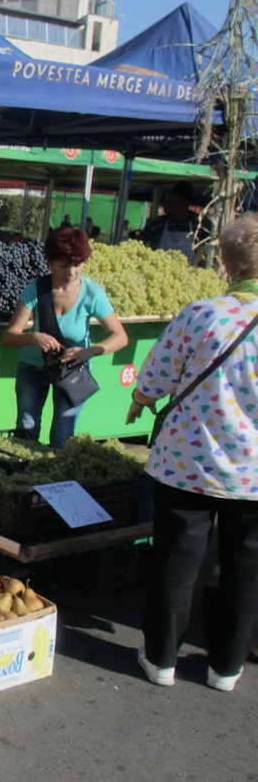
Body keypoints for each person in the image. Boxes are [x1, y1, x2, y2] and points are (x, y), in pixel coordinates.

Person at [127, 212, 258, 693]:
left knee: (177, 563)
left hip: (188, 464)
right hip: (255, 476)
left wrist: (141, 399)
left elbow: (156, 377)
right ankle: (226, 668)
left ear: (226, 263)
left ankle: (161, 660)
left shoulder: (202, 315)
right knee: (247, 571)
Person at [2, 227, 128, 449]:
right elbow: (9, 337)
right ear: (49, 261)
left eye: (77, 265)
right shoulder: (36, 288)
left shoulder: (92, 293)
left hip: (73, 373)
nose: (71, 272)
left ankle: (56, 483)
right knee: (26, 433)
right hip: (33, 369)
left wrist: (90, 351)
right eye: (63, 265)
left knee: (62, 436)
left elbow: (120, 337)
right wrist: (33, 337)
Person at [140, 180, 214, 266]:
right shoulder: (156, 224)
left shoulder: (201, 224)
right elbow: (138, 244)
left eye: (168, 202)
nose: (164, 206)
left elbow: (211, 253)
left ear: (182, 203)